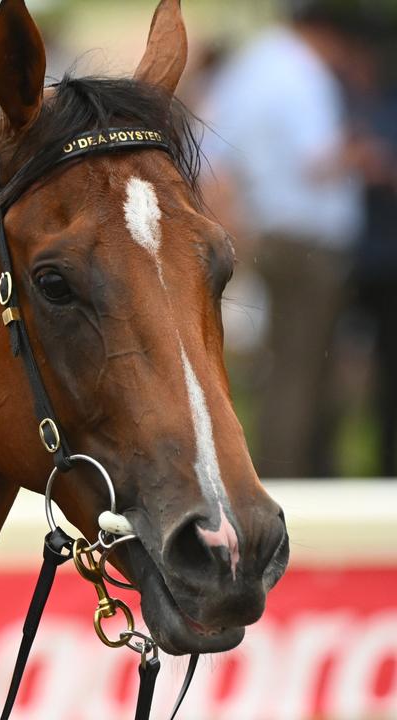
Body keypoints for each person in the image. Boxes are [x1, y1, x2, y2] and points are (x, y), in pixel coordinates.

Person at [199, 2, 363, 477]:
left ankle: (277, 468)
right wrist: (361, 154)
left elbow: (219, 148)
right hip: (306, 240)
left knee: (282, 366)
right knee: (301, 368)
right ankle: (286, 475)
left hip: (271, 229)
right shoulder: (304, 75)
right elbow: (318, 159)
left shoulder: (256, 64)